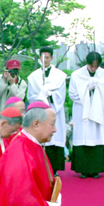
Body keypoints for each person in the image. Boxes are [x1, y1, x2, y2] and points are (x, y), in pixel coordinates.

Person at [69, 52, 104, 179]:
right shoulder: (76, 75)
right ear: (86, 63)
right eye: (91, 66)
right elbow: (72, 94)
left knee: (96, 136)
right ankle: (83, 169)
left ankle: (95, 169)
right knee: (83, 136)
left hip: (97, 109)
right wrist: (86, 89)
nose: (93, 69)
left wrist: (98, 91)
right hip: (82, 111)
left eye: (96, 66)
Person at [28, 46, 68, 174]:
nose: (45, 60)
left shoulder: (59, 76)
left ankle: (54, 168)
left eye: (48, 57)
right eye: (43, 57)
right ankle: (41, 169)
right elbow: (31, 96)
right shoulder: (33, 77)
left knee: (54, 139)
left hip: (55, 110)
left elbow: (61, 95)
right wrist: (41, 97)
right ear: (39, 58)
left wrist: (50, 95)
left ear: (51, 58)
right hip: (40, 112)